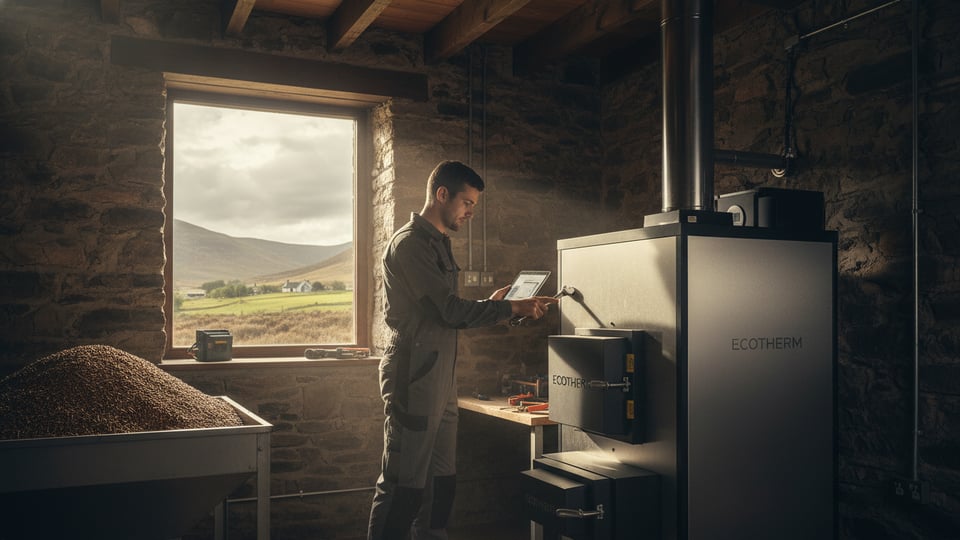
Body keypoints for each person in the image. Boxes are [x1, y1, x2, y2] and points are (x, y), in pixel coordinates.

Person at [367, 160, 558, 540]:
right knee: (404, 484)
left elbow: (442, 312)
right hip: (414, 373)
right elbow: (449, 311)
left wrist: (493, 302)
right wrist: (510, 308)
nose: (471, 212)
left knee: (442, 478)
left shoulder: (437, 243)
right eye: (467, 203)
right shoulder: (409, 245)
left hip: (441, 374)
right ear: (442, 195)